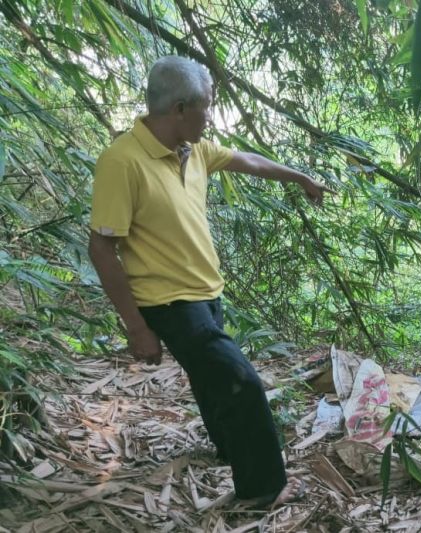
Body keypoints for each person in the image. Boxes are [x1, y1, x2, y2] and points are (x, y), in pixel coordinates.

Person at [88, 55, 330, 506]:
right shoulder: (121, 162)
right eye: (207, 106)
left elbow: (250, 161)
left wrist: (299, 177)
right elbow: (101, 249)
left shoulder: (194, 150)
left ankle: (228, 448)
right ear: (180, 108)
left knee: (210, 379)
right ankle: (263, 491)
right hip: (168, 303)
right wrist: (137, 329)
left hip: (206, 292)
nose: (212, 116)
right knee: (241, 382)